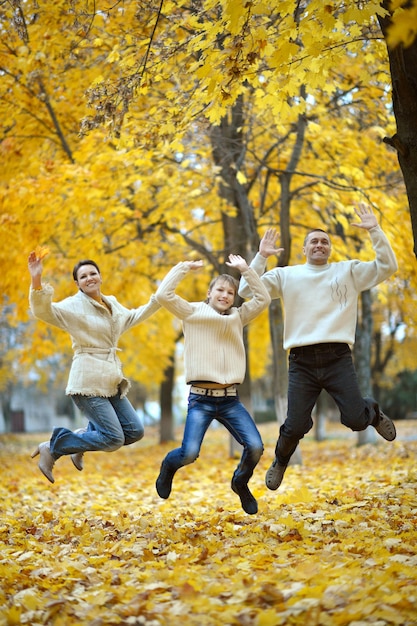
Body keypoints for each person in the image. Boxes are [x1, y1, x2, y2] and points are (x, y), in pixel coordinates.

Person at [238, 204, 398, 492]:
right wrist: (261, 257)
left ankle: (372, 413)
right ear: (304, 249)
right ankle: (281, 461)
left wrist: (374, 230)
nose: (320, 245)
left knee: (355, 420)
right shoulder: (286, 275)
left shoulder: (348, 271)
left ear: (330, 249)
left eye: (325, 241)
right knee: (295, 425)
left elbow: (388, 267)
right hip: (302, 360)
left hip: (337, 357)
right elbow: (246, 291)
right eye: (314, 241)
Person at [28, 252, 160, 483]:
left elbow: (134, 316)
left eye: (93, 273)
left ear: (100, 276)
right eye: (83, 276)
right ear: (77, 283)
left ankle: (81, 438)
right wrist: (36, 280)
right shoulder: (73, 306)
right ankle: (53, 447)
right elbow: (43, 311)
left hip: (110, 379)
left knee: (135, 431)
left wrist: (159, 299)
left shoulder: (113, 304)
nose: (89, 278)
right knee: (113, 439)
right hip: (87, 380)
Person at [154, 254, 271, 515]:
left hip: (230, 400)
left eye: (230, 292)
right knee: (189, 454)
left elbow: (262, 300)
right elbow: (163, 295)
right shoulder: (192, 311)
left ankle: (240, 482)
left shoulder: (239, 316)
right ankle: (168, 467)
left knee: (255, 447)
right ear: (209, 293)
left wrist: (245, 269)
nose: (225, 295)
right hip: (201, 399)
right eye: (220, 289)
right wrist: (183, 267)